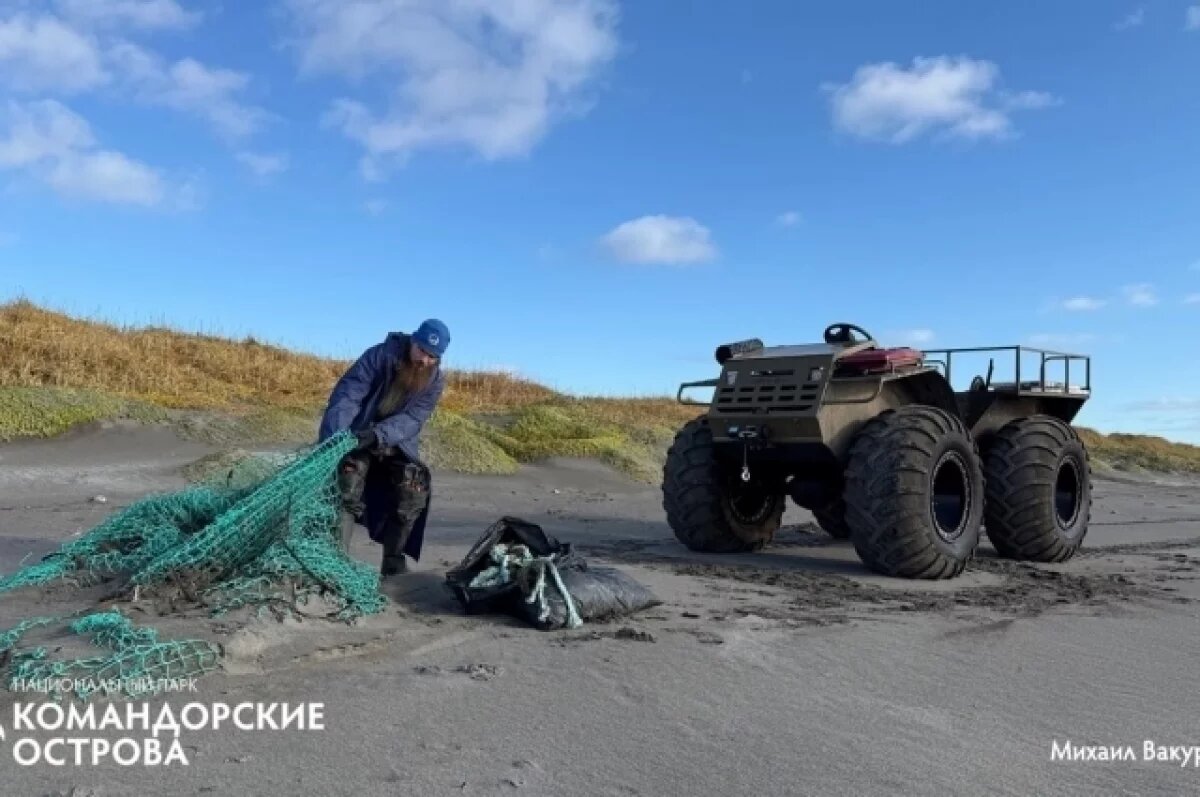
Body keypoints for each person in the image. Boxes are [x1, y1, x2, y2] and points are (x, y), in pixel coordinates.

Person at [318, 319, 450, 578]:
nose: (424, 360)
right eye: (422, 350)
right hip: (357, 433)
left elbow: (413, 419)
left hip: (397, 442)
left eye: (432, 356)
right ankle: (336, 556)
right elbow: (348, 395)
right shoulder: (380, 355)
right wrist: (337, 437)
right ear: (414, 341)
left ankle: (393, 562)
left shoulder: (434, 382)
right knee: (348, 476)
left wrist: (379, 435)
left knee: (413, 487)